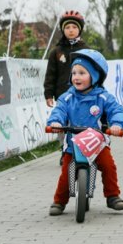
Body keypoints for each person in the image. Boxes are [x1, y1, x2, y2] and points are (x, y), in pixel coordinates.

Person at [47, 49, 123, 216]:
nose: (76, 76)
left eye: (82, 73)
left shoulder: (103, 97)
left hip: (96, 143)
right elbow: (59, 110)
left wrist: (116, 124)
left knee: (108, 166)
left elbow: (116, 111)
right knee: (66, 173)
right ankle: (59, 201)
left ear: (95, 76)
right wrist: (55, 122)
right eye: (74, 72)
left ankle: (113, 196)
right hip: (73, 144)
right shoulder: (67, 97)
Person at [43, 11, 89, 165]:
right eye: (67, 27)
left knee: (79, 124)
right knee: (63, 125)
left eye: (74, 27)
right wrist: (48, 94)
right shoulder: (56, 52)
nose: (70, 30)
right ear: (63, 30)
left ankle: (81, 151)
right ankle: (65, 151)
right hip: (63, 95)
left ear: (79, 30)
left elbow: (94, 73)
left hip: (83, 95)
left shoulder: (86, 50)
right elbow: (50, 74)